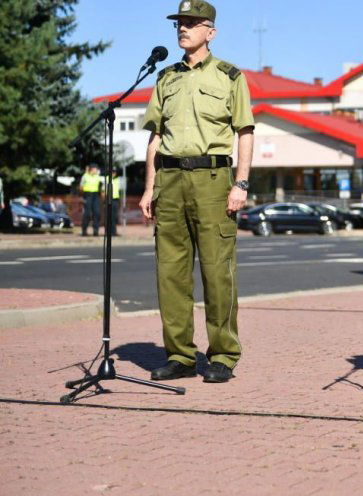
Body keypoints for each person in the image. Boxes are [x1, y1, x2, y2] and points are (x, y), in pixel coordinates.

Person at [140, 0, 254, 384]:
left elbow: (245, 132)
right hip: (170, 181)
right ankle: (180, 356)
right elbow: (156, 137)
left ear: (211, 32)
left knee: (217, 272)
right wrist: (148, 189)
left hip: (212, 181)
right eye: (179, 23)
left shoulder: (229, 76)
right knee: (169, 272)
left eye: (191, 23)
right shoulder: (166, 78)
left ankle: (222, 354)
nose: (182, 29)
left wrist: (241, 183)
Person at [79, 165, 102, 236]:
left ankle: (96, 231)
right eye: (95, 169)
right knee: (87, 214)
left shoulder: (97, 176)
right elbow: (81, 187)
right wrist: (83, 196)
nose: (96, 170)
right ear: (92, 169)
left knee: (97, 213)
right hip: (88, 195)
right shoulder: (85, 176)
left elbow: (101, 186)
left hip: (96, 195)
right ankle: (84, 230)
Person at [107, 169, 122, 236]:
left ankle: (113, 231)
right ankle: (109, 232)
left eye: (114, 172)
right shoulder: (107, 179)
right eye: (112, 172)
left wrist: (120, 201)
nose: (113, 174)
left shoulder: (117, 180)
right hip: (108, 199)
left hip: (115, 199)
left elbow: (120, 191)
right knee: (109, 216)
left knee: (114, 216)